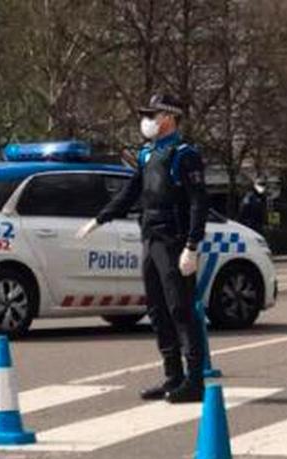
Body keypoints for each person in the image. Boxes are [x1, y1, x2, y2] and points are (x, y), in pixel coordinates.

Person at [77, 94, 208, 403]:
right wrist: (100, 219)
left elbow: (198, 202)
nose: (147, 121)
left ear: (169, 118)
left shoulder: (183, 154)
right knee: (157, 309)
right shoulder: (148, 154)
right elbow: (131, 192)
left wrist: (192, 244)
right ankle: (172, 375)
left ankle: (195, 379)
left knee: (180, 307)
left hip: (173, 239)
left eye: (153, 115)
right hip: (149, 236)